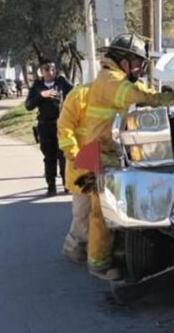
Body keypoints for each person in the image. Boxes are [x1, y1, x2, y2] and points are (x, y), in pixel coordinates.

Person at [83, 34, 163, 280]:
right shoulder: (111, 80)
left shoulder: (110, 77)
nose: (139, 68)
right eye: (137, 63)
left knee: (104, 208)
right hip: (98, 153)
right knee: (100, 212)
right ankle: (98, 265)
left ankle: (104, 253)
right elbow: (136, 96)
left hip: (100, 150)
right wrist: (169, 97)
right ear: (123, 61)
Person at [25, 60, 73, 196]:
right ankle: (51, 186)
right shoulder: (37, 86)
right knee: (49, 157)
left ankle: (67, 184)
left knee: (64, 156)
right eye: (46, 69)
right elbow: (28, 105)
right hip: (45, 126)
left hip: (61, 125)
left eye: (52, 69)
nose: (50, 72)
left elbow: (75, 95)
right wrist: (41, 95)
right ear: (41, 71)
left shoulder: (62, 82)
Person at [57, 83, 91, 263]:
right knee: (83, 211)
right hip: (83, 165)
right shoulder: (81, 95)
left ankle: (92, 248)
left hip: (105, 164)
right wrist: (73, 154)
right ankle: (74, 246)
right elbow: (64, 127)